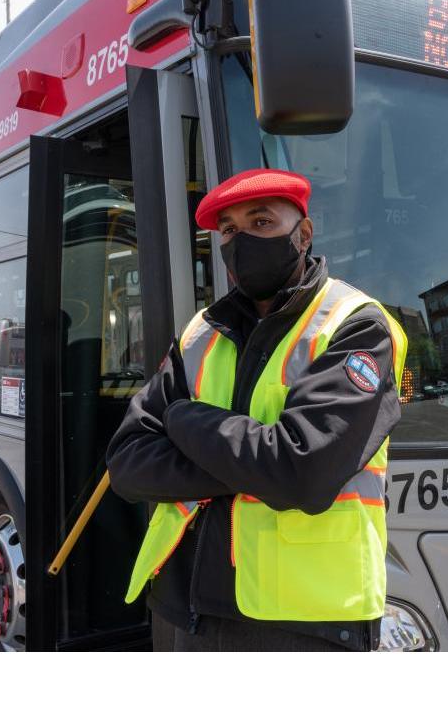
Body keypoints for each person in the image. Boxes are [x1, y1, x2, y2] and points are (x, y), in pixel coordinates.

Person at [106, 168, 406, 651]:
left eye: (262, 222)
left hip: (304, 626)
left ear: (303, 235)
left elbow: (301, 473)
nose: (241, 240)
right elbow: (127, 464)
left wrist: (183, 418)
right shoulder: (201, 332)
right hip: (184, 610)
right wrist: (257, 463)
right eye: (229, 230)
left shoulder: (356, 325)